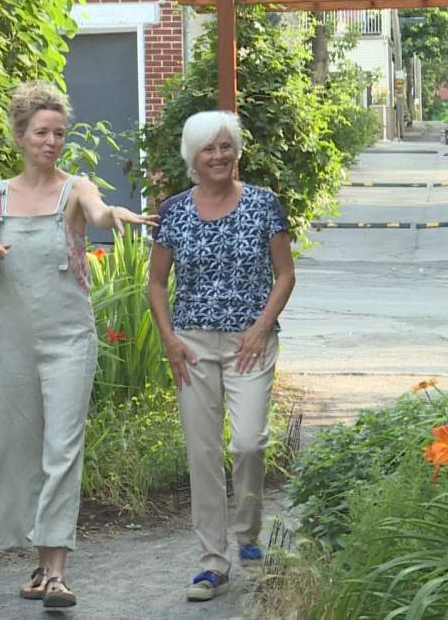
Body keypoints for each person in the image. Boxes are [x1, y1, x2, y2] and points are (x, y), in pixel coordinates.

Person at [0, 82, 157, 609]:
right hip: (12, 341)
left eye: (59, 133)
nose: (52, 142)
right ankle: (36, 560)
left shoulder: (75, 189)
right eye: (42, 133)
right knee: (17, 447)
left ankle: (56, 571)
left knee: (62, 448)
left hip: (69, 338)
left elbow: (96, 212)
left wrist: (113, 215)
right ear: (21, 136)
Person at [148, 110, 296, 602]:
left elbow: (285, 275)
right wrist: (169, 338)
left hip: (249, 344)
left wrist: (259, 329)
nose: (218, 156)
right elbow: (155, 282)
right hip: (191, 345)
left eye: (225, 146)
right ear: (193, 157)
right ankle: (213, 562)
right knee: (203, 452)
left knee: (249, 442)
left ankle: (248, 533)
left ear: (236, 151)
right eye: (208, 148)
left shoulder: (264, 205)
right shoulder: (174, 212)